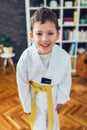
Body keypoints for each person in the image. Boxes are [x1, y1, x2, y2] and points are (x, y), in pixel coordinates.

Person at [16, 7, 72, 130]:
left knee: (53, 122)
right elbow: (22, 84)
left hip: (53, 94)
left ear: (58, 35)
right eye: (39, 33)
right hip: (35, 97)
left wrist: (61, 99)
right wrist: (27, 106)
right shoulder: (26, 58)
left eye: (50, 33)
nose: (44, 39)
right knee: (38, 124)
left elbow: (65, 80)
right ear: (32, 35)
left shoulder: (63, 57)